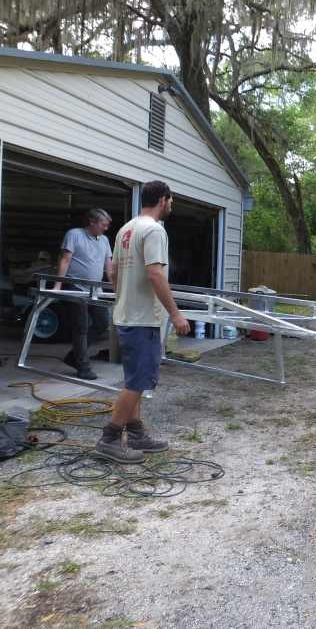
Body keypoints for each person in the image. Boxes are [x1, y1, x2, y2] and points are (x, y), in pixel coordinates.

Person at [94, 181, 190, 463]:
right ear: (163, 199)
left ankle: (136, 433)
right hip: (143, 319)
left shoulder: (126, 229)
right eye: (171, 200)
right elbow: (156, 275)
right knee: (137, 382)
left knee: (133, 379)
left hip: (126, 314)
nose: (172, 205)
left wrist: (123, 296)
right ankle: (109, 439)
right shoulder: (154, 230)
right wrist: (175, 313)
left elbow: (112, 272)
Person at [54, 208, 113, 380]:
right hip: (75, 286)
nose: (106, 228)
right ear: (92, 222)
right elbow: (65, 259)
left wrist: (116, 289)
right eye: (103, 224)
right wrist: (58, 285)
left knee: (102, 322)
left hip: (95, 289)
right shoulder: (74, 234)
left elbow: (108, 267)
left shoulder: (104, 240)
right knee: (82, 325)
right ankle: (83, 366)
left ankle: (74, 356)